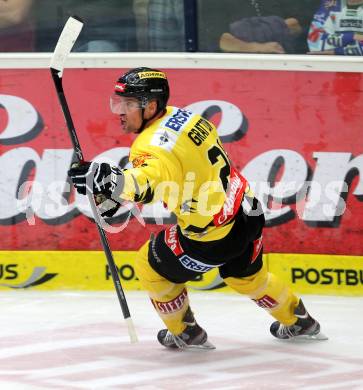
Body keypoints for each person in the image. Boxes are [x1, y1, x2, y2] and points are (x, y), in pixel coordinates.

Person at [68, 67, 327, 349]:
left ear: (151, 106)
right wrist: (112, 188)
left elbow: (146, 180)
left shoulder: (149, 146)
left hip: (213, 237)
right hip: (247, 210)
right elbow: (172, 174)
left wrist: (112, 182)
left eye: (129, 104)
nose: (120, 111)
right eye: (119, 103)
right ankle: (299, 321)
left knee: (149, 265)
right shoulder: (186, 116)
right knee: (247, 277)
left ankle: (185, 332)